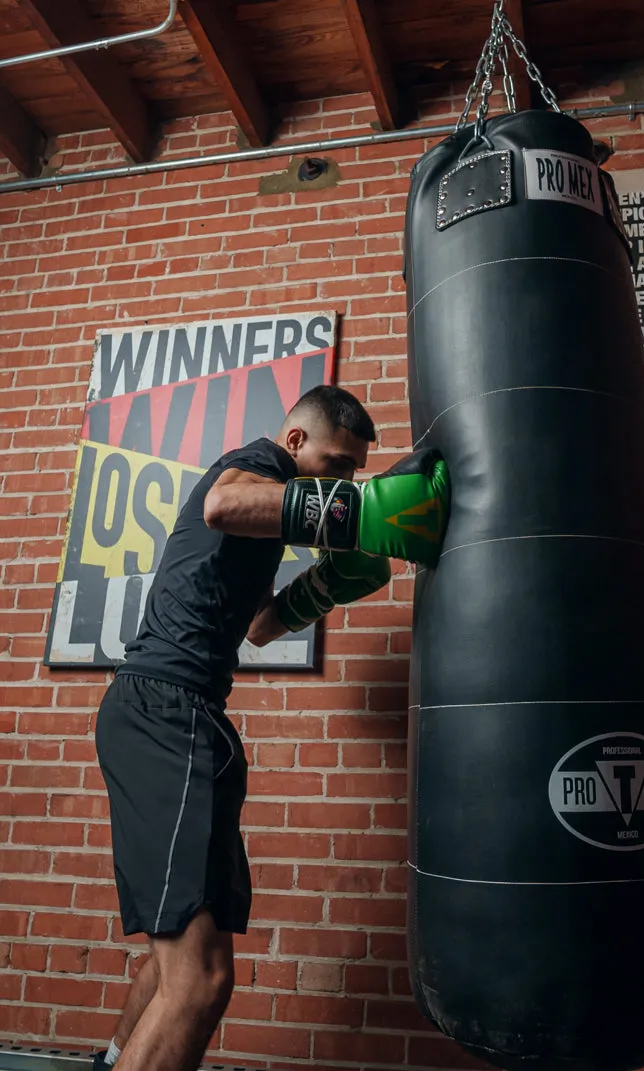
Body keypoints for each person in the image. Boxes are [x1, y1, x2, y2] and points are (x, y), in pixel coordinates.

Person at [91, 384, 449, 1071]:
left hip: (185, 716)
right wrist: (361, 509)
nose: (345, 481)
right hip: (165, 712)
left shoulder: (272, 526)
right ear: (293, 443)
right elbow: (223, 503)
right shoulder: (252, 465)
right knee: (198, 983)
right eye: (339, 465)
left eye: (354, 473)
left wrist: (326, 585)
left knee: (191, 967)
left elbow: (257, 628)